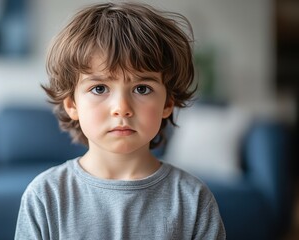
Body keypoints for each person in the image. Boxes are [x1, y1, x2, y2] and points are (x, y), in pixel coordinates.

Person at [15, 2, 226, 239]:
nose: (122, 108)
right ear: (72, 105)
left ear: (167, 103)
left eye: (142, 89)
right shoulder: (45, 195)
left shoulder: (193, 199)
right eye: (100, 88)